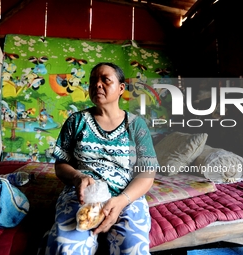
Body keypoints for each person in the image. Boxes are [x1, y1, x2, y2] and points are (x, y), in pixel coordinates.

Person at [43, 62, 159, 255]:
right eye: (93, 81)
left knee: (132, 246)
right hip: (82, 195)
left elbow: (147, 174)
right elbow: (61, 164)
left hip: (125, 195)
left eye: (105, 80)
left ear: (121, 88)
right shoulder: (76, 121)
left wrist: (121, 201)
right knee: (66, 245)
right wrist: (78, 178)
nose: (97, 85)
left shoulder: (137, 125)